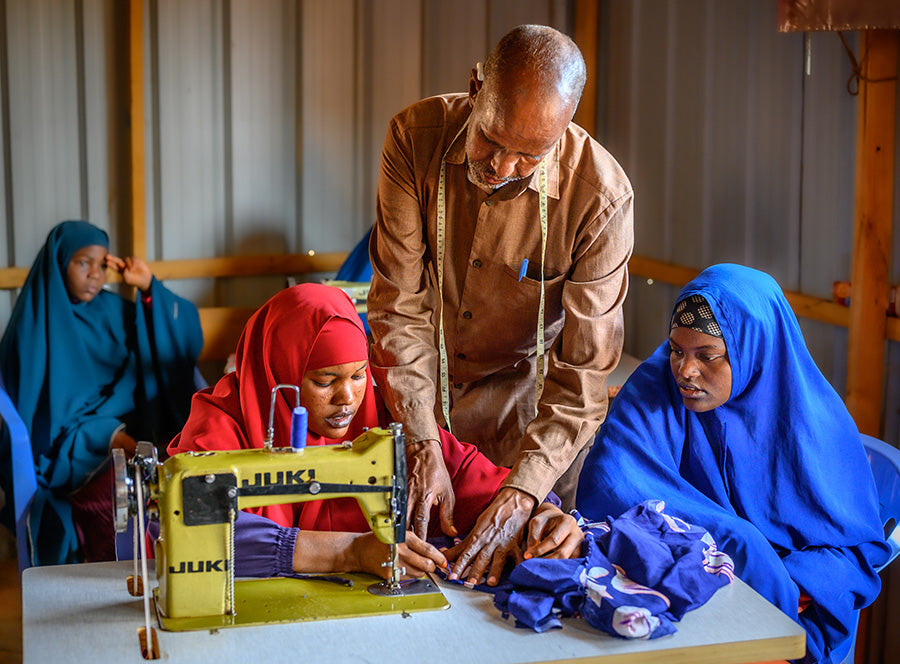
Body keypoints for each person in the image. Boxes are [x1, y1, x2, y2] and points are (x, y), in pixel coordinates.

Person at [367, 24, 633, 586]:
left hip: (526, 413)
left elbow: (584, 372)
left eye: (529, 155)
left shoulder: (600, 200)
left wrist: (523, 489)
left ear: (560, 136)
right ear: (474, 88)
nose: (502, 167)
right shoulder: (414, 140)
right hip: (419, 387)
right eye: (490, 140)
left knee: (510, 591)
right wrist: (421, 439)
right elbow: (399, 308)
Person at [576, 264, 890, 664]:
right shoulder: (657, 386)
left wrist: (781, 578)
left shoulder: (815, 423)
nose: (685, 371)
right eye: (676, 350)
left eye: (708, 356)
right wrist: (739, 543)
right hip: (688, 588)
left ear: (754, 350)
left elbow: (856, 549)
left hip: (787, 596)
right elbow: (610, 483)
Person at [168, 283, 581, 580]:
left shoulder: (383, 409)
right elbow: (193, 534)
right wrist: (350, 552)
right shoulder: (220, 422)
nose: (347, 397)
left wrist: (541, 515)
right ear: (282, 375)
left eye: (359, 374)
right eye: (325, 380)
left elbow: (464, 474)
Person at [0, 220, 203, 566]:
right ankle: (148, 501)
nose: (94, 274)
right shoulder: (36, 321)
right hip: (65, 439)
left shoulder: (111, 310)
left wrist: (148, 286)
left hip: (124, 419)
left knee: (165, 437)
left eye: (100, 264)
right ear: (58, 262)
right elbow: (31, 406)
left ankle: (166, 543)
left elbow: (181, 337)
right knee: (117, 454)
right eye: (82, 262)